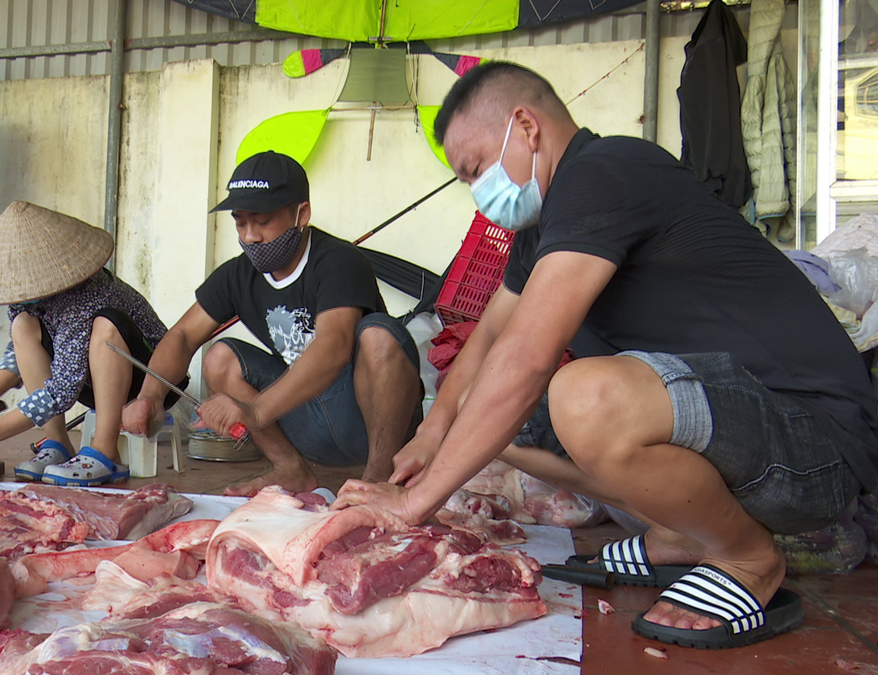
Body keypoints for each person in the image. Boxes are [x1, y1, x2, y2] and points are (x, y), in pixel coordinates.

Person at [334, 62, 878, 650]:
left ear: (525, 127)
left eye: (475, 170)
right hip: (731, 429)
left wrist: (415, 504)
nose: (477, 192)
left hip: (812, 442)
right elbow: (491, 335)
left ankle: (748, 557)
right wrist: (432, 434)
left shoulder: (604, 173)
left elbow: (526, 358)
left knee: (582, 395)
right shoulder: (542, 227)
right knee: (497, 419)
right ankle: (682, 531)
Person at [121, 151, 423, 496]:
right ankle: (291, 469)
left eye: (263, 222)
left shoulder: (339, 261)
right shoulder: (237, 275)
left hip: (364, 414)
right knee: (219, 358)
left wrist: (254, 410)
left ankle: (377, 480)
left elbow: (333, 347)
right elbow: (183, 335)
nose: (250, 236)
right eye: (240, 222)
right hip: (305, 417)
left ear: (302, 214)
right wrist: (150, 395)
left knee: (380, 336)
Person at [0, 201, 185, 485]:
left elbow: (61, 391)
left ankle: (107, 451)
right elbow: (18, 351)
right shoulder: (27, 295)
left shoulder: (85, 293)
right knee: (24, 325)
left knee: (106, 327)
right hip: (90, 379)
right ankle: (59, 443)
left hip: (149, 380)